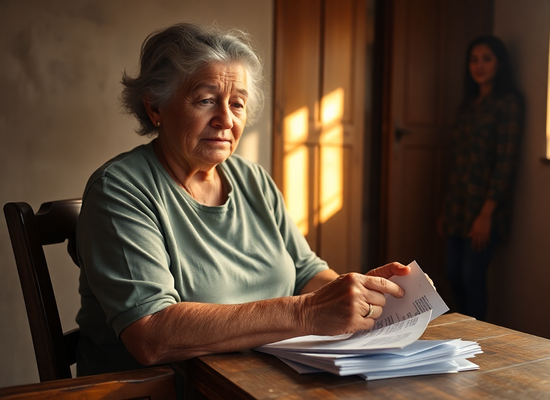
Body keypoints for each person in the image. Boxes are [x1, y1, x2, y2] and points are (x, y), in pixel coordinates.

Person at [75, 22, 410, 376]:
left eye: (237, 104)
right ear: (155, 107)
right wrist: (307, 313)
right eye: (206, 100)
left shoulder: (253, 180)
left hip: (267, 377)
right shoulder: (120, 190)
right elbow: (151, 334)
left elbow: (305, 272)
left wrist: (366, 297)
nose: (225, 120)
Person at [439, 35, 523, 321]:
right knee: (452, 274)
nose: (479, 65)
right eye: (474, 59)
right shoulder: (467, 106)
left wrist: (486, 213)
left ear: (499, 63)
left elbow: (505, 162)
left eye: (486, 58)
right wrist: (446, 211)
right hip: (457, 208)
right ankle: (460, 334)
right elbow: (457, 163)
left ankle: (475, 341)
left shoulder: (508, 104)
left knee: (471, 276)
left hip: (484, 209)